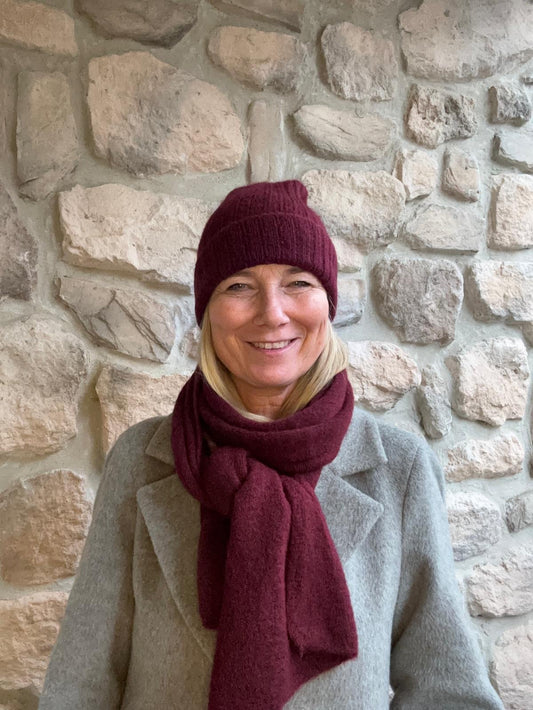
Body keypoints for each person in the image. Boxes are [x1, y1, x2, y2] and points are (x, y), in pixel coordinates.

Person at [38, 180, 504, 709]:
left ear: (327, 303)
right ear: (207, 311)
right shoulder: (142, 459)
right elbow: (80, 685)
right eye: (239, 286)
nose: (273, 313)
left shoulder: (399, 470)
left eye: (298, 282)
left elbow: (451, 692)